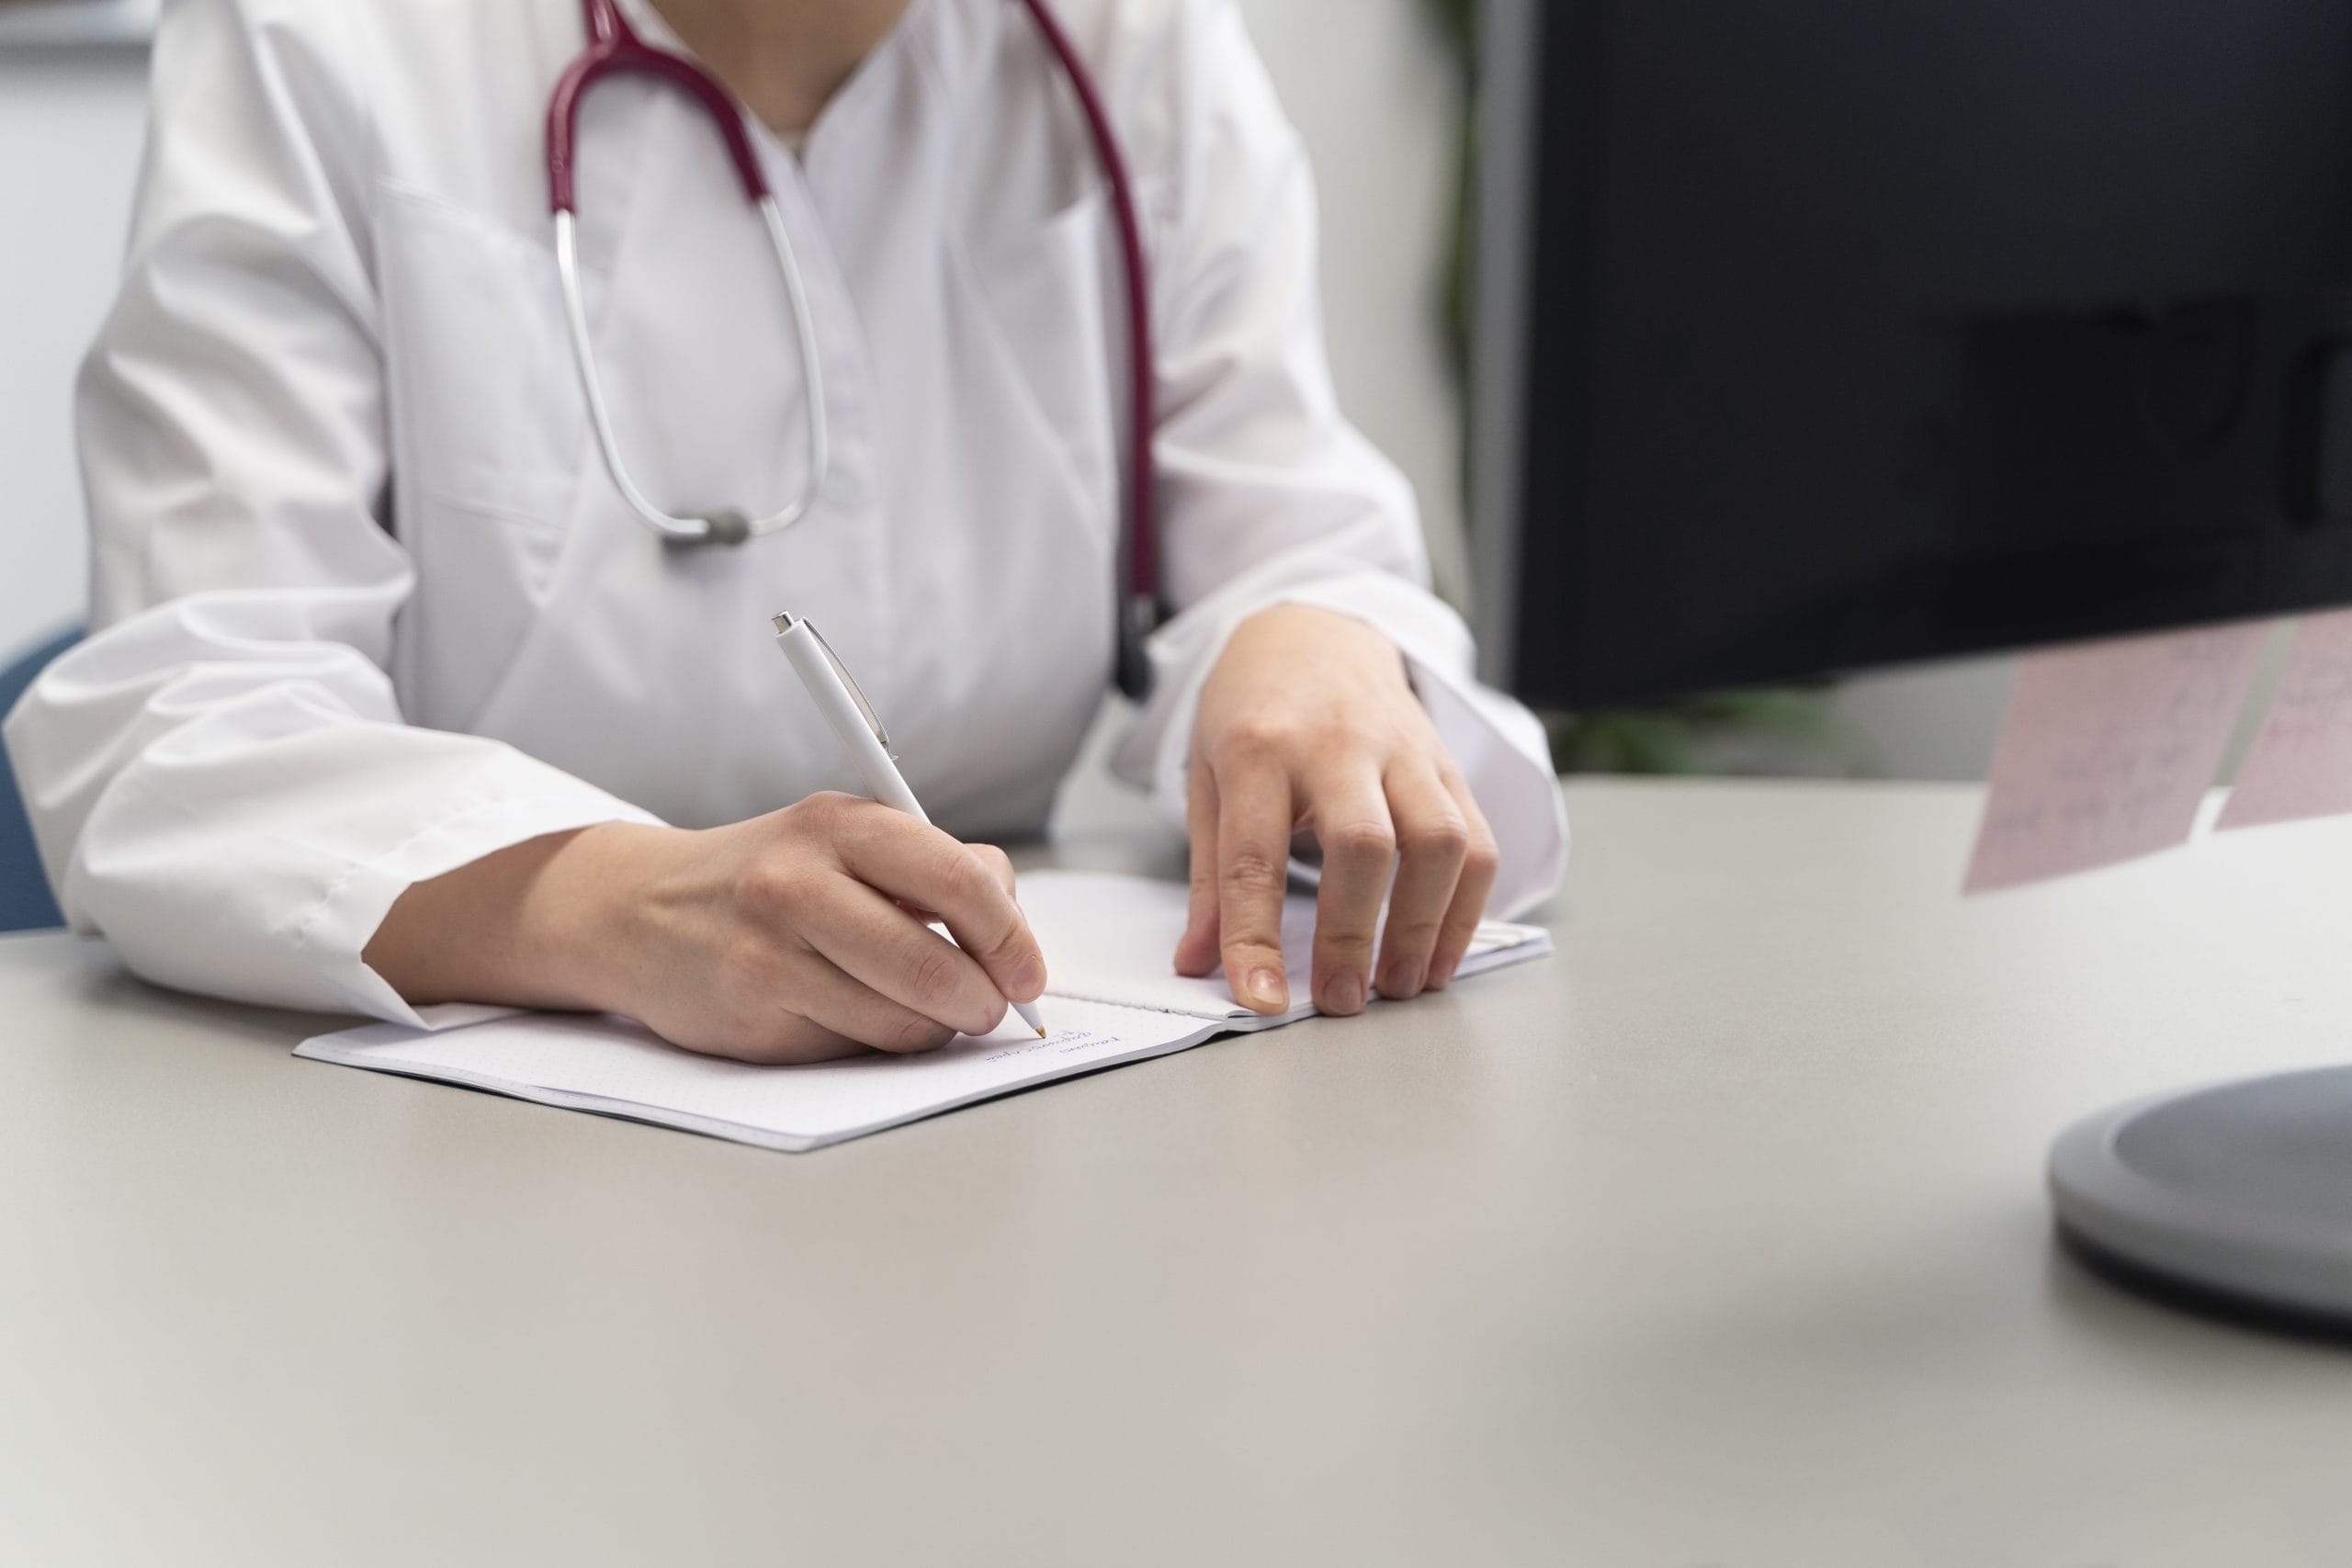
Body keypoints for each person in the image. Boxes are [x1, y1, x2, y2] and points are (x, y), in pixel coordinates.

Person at [3, 0, 1566, 1065]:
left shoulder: (1120, 38)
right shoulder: (325, 39)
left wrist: (1310, 639)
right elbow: (183, 721)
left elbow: (1295, 530)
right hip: (445, 1170)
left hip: (991, 1133)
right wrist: (604, 908)